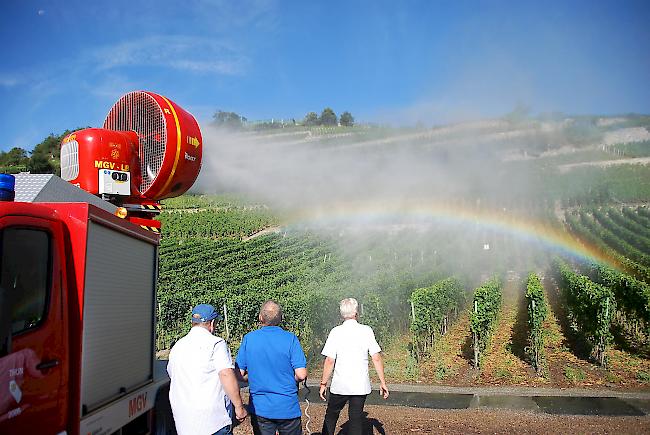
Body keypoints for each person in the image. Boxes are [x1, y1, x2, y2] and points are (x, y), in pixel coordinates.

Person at [167, 303, 247, 435]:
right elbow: (226, 374)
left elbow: (172, 374)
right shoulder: (216, 343)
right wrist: (239, 407)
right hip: (213, 421)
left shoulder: (177, 346)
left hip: (184, 420)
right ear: (212, 323)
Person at [319, 298, 389, 435]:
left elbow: (329, 360)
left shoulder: (335, 332)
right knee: (356, 418)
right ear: (356, 312)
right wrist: (383, 382)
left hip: (340, 384)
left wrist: (323, 383)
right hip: (359, 385)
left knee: (332, 415)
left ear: (341, 314)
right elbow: (376, 357)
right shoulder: (366, 330)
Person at [236, 300, 307, 435]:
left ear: (260, 317)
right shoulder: (290, 339)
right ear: (280, 318)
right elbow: (301, 374)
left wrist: (252, 378)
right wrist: (290, 379)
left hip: (260, 408)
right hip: (287, 407)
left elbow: (238, 374)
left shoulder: (249, 339)